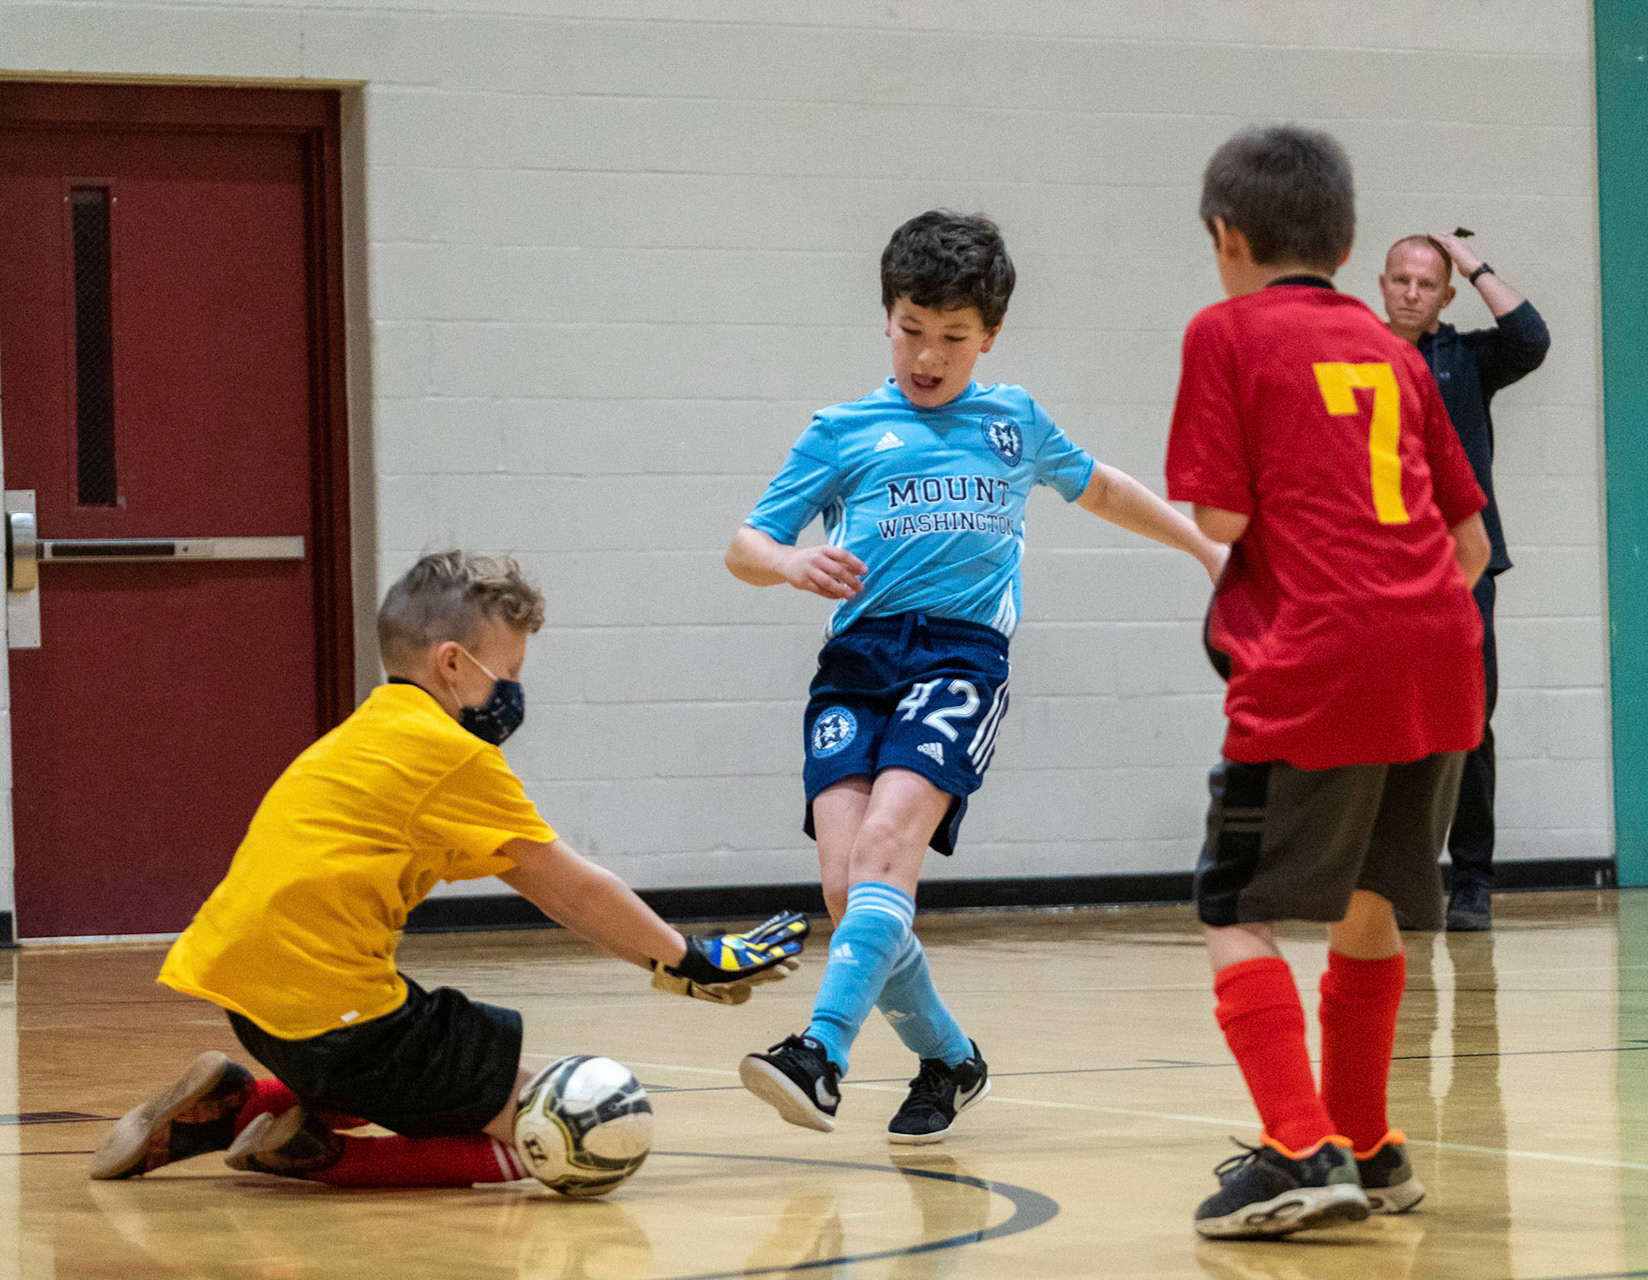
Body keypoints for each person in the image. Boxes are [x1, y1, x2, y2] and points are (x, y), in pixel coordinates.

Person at [726, 209, 1226, 1144]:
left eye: (953, 338)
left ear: (988, 337)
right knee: (847, 889)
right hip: (856, 662)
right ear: (887, 318)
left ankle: (820, 1055)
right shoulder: (843, 430)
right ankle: (951, 1060)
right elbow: (745, 544)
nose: (928, 355)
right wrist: (788, 564)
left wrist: (1204, 547)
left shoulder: (1013, 423)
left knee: (885, 855)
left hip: (959, 657)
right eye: (912, 330)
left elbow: (1104, 485)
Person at [91, 551, 809, 1190]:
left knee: (411, 1060)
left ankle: (239, 1107)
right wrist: (688, 957)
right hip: (333, 1018)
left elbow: (546, 891)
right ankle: (314, 1155)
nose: (513, 692)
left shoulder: (369, 728)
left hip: (250, 1000)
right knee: (560, 1128)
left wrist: (670, 966)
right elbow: (569, 886)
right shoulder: (452, 753)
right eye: (510, 672)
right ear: (453, 663)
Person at [1166, 124, 1491, 1239]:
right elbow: (1473, 543)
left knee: (1229, 904)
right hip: (1441, 656)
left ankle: (1301, 1147)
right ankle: (1367, 1139)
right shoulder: (1395, 351)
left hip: (1317, 659)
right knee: (1372, 898)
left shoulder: (1226, 332)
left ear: (1226, 236)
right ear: (1348, 245)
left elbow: (1222, 517)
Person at [1379, 232, 1549, 931]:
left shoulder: (1466, 359)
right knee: (1386, 725)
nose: (1412, 293)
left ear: (1445, 295)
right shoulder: (1357, 358)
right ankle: (1397, 874)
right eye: (1401, 280)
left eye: (1427, 283)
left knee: (1468, 722)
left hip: (1463, 567)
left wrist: (1467, 258)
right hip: (1379, 573)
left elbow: (1530, 337)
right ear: (1382, 284)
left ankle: (1472, 879)